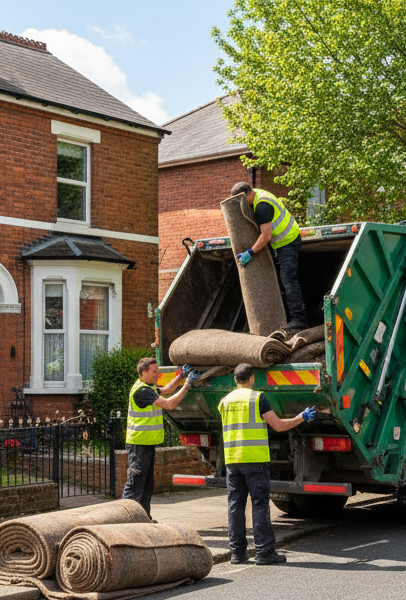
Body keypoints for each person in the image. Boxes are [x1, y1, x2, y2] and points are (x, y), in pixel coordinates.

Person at [218, 363, 315, 565]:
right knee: (259, 504)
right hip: (254, 459)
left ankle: (237, 554)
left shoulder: (225, 401)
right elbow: (278, 425)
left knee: (235, 506)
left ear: (235, 380)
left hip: (232, 460)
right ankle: (264, 552)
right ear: (252, 378)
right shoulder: (257, 398)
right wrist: (301, 417)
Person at [125, 357, 201, 518]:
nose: (157, 374)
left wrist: (180, 376)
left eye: (157, 371)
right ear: (143, 373)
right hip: (138, 445)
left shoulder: (148, 387)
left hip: (146, 444)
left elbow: (166, 390)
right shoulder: (142, 391)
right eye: (154, 371)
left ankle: (144, 519)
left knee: (147, 486)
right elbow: (169, 404)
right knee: (135, 486)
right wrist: (187, 385)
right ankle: (124, 520)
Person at [231, 181, 307, 330]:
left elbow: (265, 237)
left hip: (288, 241)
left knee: (288, 281)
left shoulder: (262, 207)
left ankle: (299, 319)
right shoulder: (256, 194)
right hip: (278, 243)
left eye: (239, 200)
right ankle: (286, 317)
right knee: (279, 279)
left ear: (245, 195)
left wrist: (250, 253)